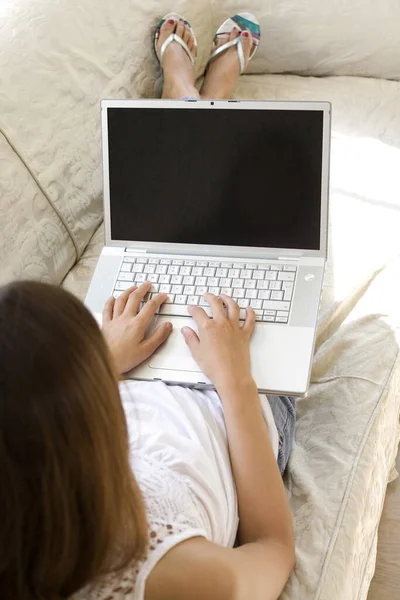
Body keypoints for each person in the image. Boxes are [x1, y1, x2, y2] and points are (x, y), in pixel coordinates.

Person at [0, 13, 296, 600]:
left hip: (132, 375)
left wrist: (101, 366)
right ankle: (202, 94)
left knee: (176, 236)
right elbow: (274, 549)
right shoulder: (173, 577)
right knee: (247, 219)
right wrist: (236, 378)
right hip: (232, 407)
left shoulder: (31, 497)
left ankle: (189, 93)